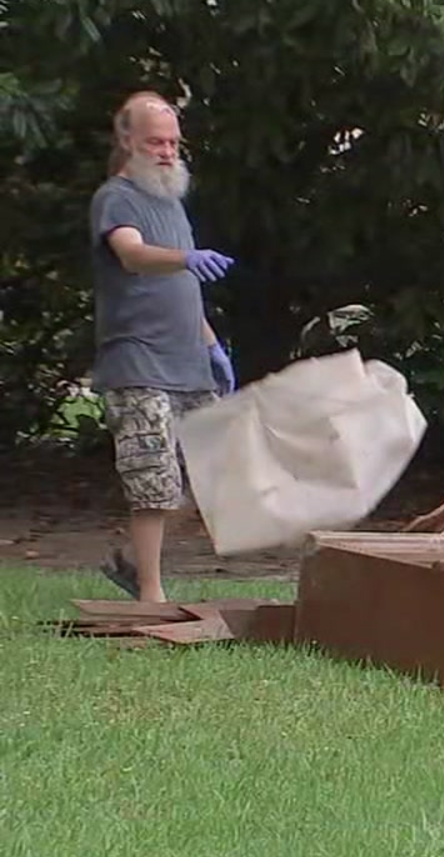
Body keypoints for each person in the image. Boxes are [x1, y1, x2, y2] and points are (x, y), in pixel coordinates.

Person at [90, 91, 238, 603]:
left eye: (174, 142)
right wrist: (185, 257)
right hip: (138, 363)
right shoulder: (116, 198)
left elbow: (184, 290)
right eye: (156, 142)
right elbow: (132, 255)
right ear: (127, 140)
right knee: (152, 480)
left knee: (218, 473)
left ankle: (133, 561)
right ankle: (151, 593)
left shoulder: (170, 202)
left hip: (190, 361)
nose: (168, 152)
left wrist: (213, 347)